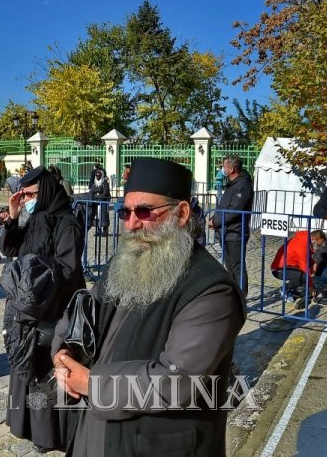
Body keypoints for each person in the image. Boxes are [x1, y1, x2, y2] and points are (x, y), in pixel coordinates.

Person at [52, 157, 246, 456]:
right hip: (95, 430)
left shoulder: (212, 291)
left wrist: (89, 382)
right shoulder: (127, 262)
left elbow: (176, 381)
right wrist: (64, 351)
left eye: (144, 211)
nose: (131, 223)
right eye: (125, 212)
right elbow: (84, 311)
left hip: (156, 443)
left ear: (181, 213)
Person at [0, 165, 85, 452]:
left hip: (54, 308)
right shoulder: (34, 220)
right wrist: (12, 216)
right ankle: (27, 424)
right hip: (29, 309)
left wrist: (34, 279)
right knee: (27, 372)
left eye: (31, 194)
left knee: (45, 375)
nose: (27, 199)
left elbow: (68, 269)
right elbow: (9, 251)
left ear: (44, 191)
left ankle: (48, 434)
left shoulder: (66, 222)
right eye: (24, 195)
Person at [210, 155, 254, 294]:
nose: (222, 169)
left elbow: (234, 210)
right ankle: (234, 296)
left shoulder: (243, 185)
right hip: (226, 231)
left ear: (232, 169)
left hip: (236, 232)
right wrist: (215, 218)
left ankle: (241, 298)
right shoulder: (232, 184)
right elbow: (224, 205)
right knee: (230, 266)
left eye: (224, 167)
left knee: (237, 267)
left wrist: (215, 222)